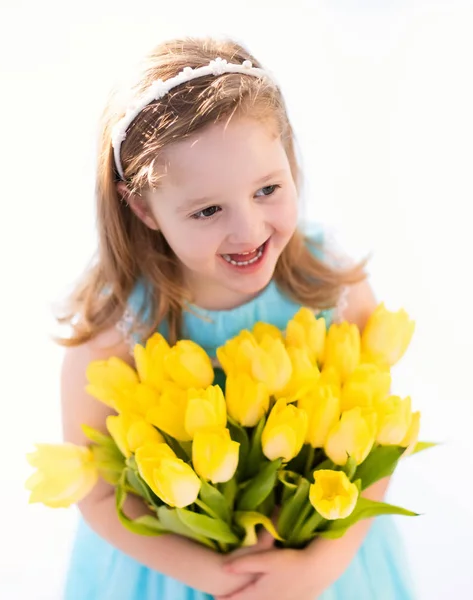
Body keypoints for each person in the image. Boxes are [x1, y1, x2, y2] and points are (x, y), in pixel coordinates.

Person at [57, 36, 415, 600]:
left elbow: (379, 442)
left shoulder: (329, 285)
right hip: (177, 575)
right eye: (207, 210)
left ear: (290, 161)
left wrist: (324, 563)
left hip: (328, 565)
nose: (248, 231)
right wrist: (213, 575)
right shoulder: (120, 324)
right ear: (144, 207)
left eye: (268, 189)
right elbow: (97, 492)